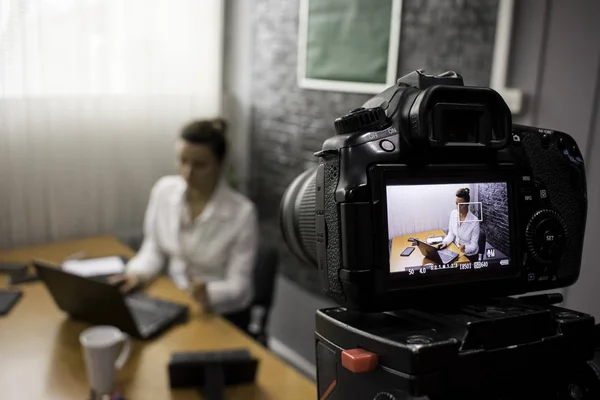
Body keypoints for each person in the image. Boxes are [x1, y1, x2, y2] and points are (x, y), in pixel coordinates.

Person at [110, 118, 258, 326]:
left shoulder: (242, 213)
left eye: (200, 165)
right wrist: (137, 275)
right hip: (176, 301)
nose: (188, 173)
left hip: (221, 314)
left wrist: (208, 291)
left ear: (220, 164)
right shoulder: (163, 191)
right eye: (183, 161)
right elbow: (154, 248)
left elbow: (239, 286)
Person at [438, 188, 480, 256]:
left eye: (461, 205)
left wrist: (465, 248)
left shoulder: (475, 221)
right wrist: (445, 242)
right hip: (456, 250)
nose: (458, 207)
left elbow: (474, 246)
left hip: (468, 255)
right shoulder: (453, 214)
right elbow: (451, 234)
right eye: (456, 204)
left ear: (467, 204)